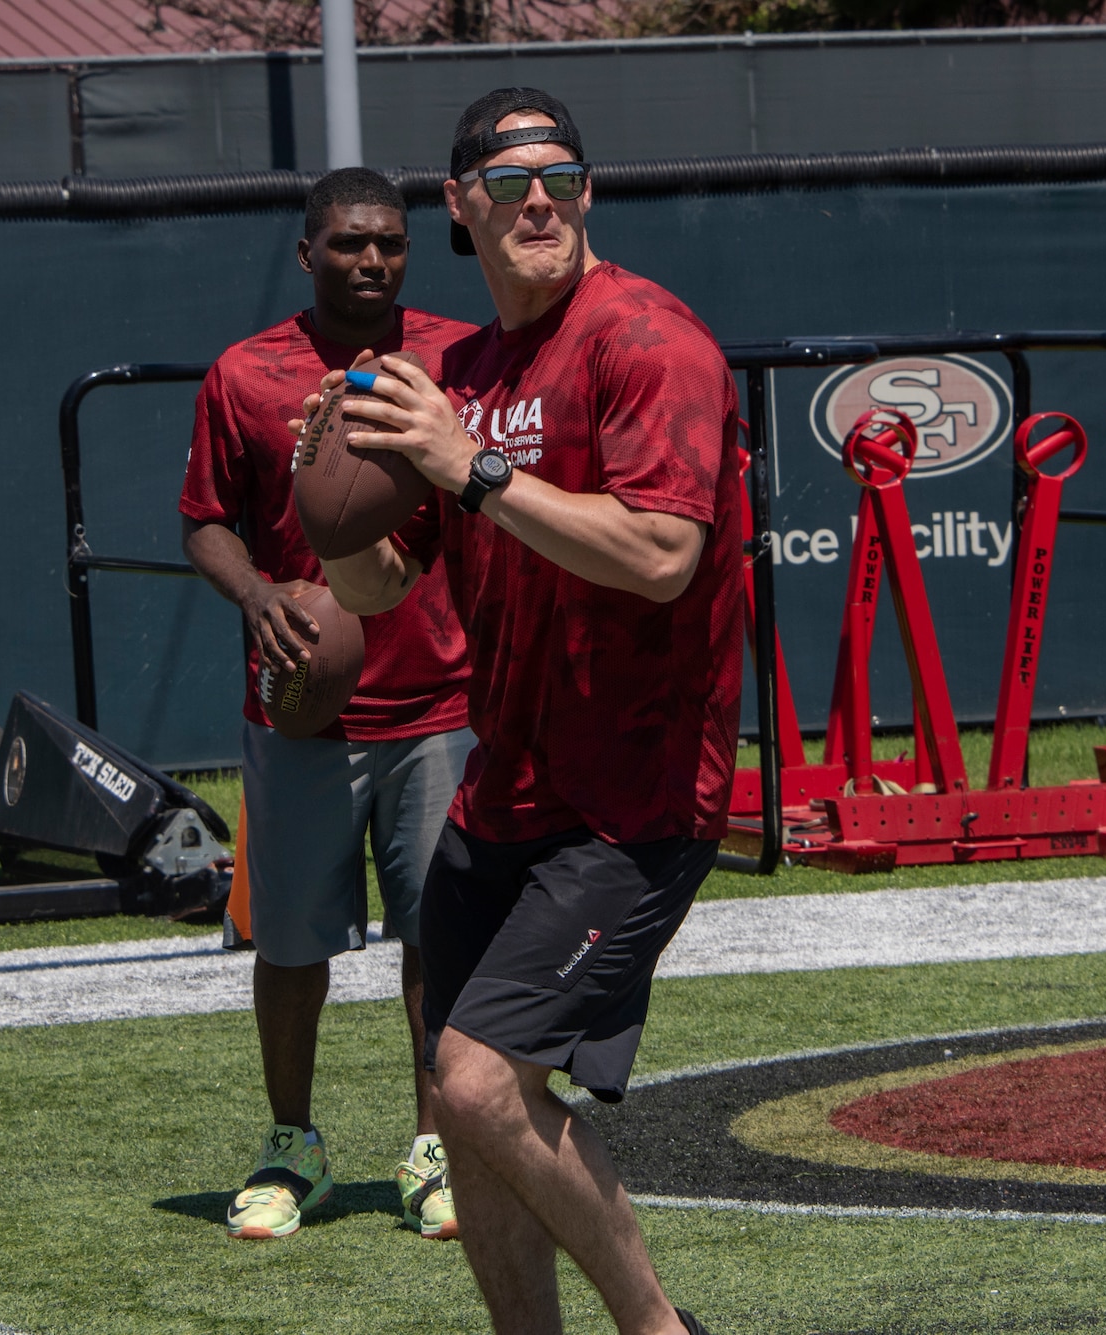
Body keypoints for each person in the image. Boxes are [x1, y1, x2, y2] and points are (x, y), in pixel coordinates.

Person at [313, 89, 740, 1335]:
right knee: (455, 1104)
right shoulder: (453, 372)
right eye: (506, 184)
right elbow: (377, 584)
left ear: (587, 193)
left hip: (633, 798)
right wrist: (324, 497)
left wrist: (472, 467)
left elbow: (661, 552)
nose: (537, 199)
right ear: (460, 206)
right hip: (505, 791)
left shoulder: (647, 341)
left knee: (481, 1086)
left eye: (560, 176)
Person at [179, 167, 478, 1244]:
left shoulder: (457, 359)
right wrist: (257, 594)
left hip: (438, 698)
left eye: (391, 244)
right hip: (301, 704)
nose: (372, 261)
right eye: (350, 243)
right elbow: (205, 519)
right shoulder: (244, 373)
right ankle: (290, 1142)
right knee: (291, 945)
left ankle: (435, 1144)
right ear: (307, 252)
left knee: (435, 942)